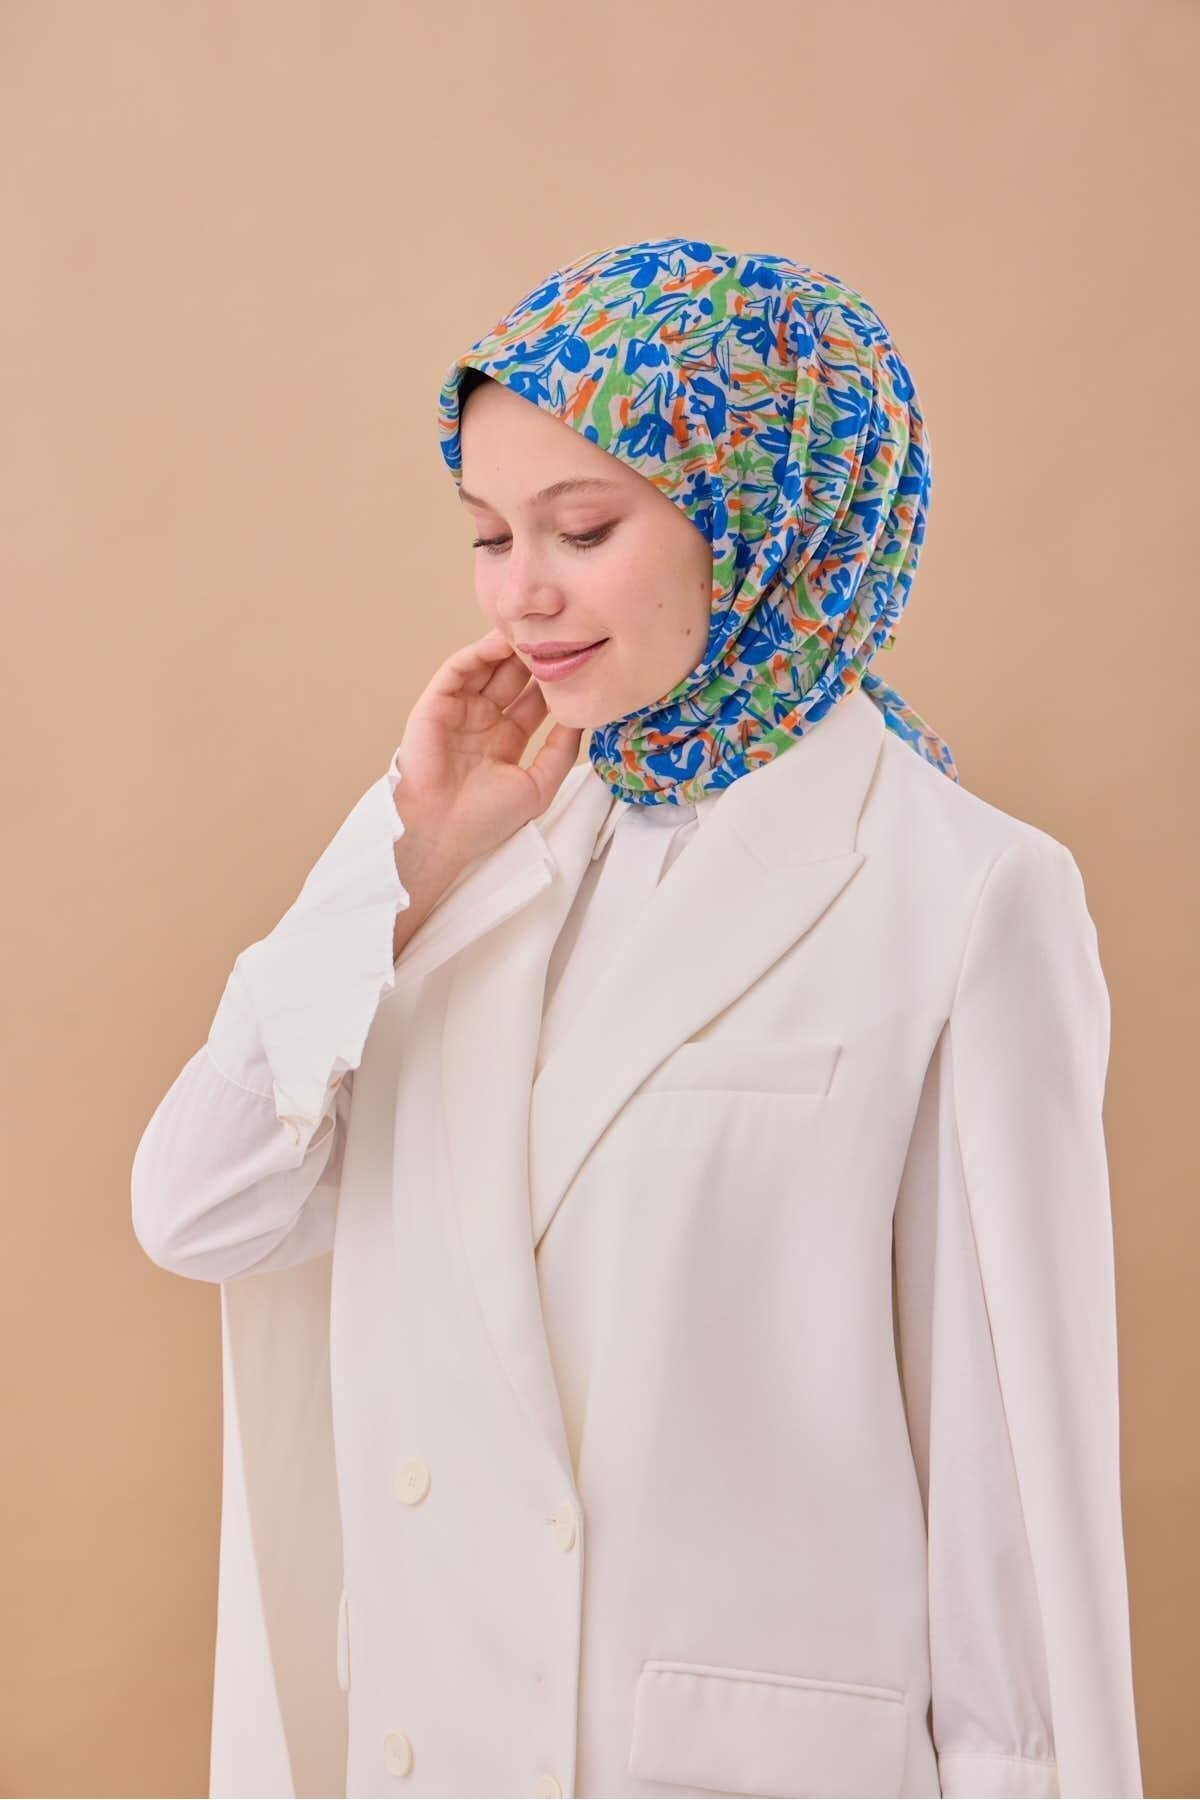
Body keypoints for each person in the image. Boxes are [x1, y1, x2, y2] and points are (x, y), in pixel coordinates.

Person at [131, 237, 1142, 1799]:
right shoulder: (477, 858)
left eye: (584, 527)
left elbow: (1012, 1522)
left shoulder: (965, 893)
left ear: (763, 512)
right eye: (487, 535)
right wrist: (400, 860)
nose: (519, 593)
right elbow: (201, 1211)